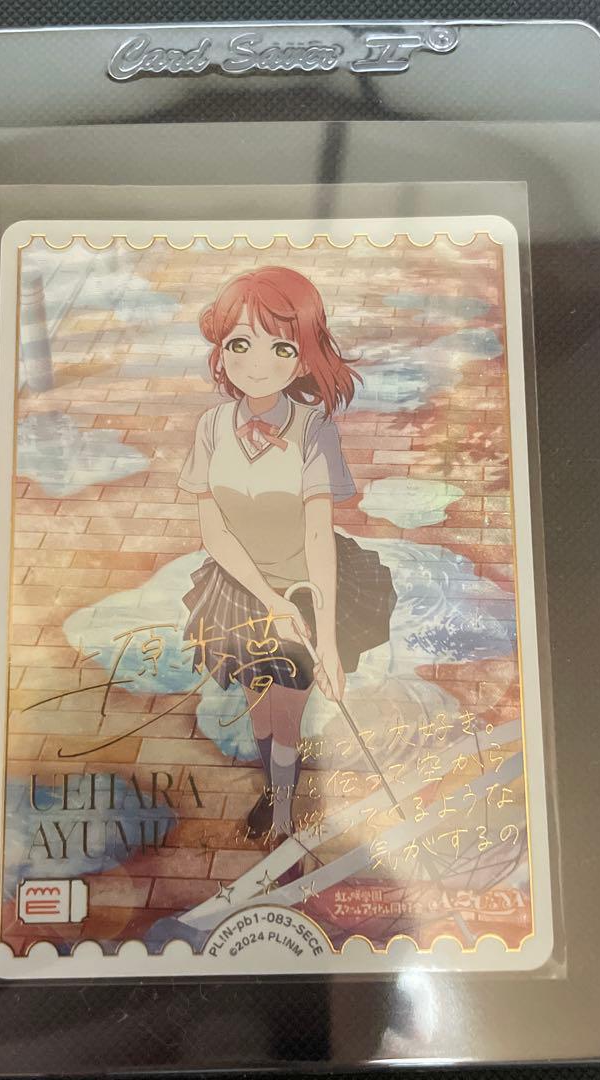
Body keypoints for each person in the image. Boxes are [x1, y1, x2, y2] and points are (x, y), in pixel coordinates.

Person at [177, 266, 396, 842]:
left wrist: (327, 642)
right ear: (220, 352)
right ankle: (274, 788)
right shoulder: (211, 427)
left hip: (307, 587)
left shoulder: (313, 429)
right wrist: (266, 599)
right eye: (239, 344)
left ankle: (281, 808)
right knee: (260, 702)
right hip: (241, 590)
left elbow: (319, 534)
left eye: (280, 348)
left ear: (302, 361)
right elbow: (214, 533)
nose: (256, 363)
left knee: (289, 710)